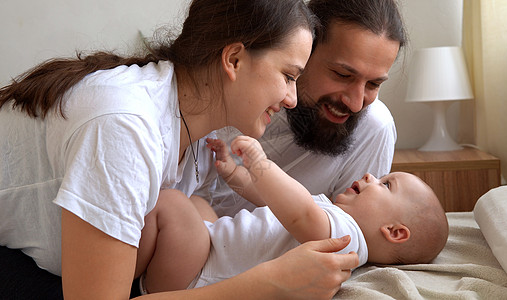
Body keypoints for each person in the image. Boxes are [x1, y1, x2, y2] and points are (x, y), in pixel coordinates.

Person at [0, 0, 359, 299]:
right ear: (233, 59)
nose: (293, 99)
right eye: (289, 76)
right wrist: (268, 283)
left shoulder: (201, 136)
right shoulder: (125, 127)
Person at [135, 136, 449, 294]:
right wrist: (235, 174)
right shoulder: (332, 218)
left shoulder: (346, 239)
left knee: (172, 203)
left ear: (394, 231)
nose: (370, 176)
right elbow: (274, 202)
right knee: (199, 206)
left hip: (199, 278)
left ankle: (121, 275)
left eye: (385, 184)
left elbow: (298, 212)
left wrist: (259, 163)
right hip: (208, 258)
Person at [211, 0, 408, 218]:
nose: (355, 103)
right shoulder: (241, 87)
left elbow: (350, 233)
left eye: (374, 84)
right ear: (304, 51)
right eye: (342, 75)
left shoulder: (373, 129)